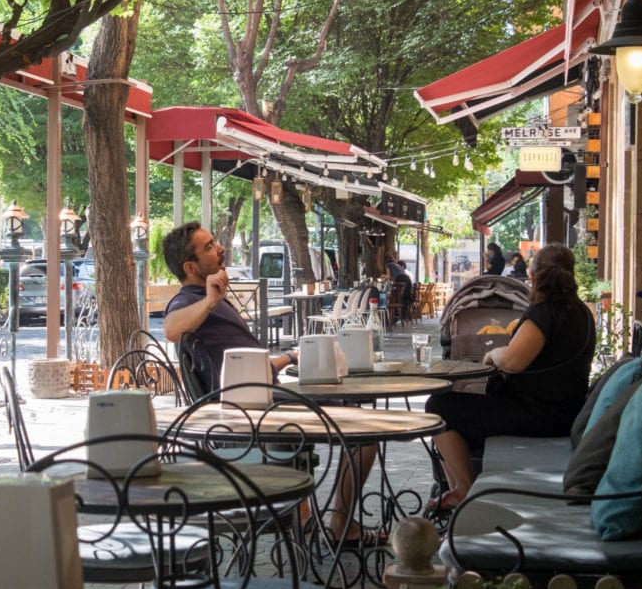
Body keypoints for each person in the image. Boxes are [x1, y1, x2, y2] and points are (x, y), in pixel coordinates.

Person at [162, 222, 385, 546]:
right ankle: (338, 527)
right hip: (249, 415)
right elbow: (170, 328)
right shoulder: (190, 301)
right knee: (365, 433)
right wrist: (210, 302)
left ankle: (314, 520)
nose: (220, 248)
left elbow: (255, 367)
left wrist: (293, 356)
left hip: (263, 401)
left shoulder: (212, 301)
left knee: (354, 411)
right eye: (209, 246)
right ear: (191, 267)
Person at [425, 243, 595, 510]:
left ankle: (463, 491)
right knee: (457, 406)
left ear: (534, 276)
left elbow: (514, 361)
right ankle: (459, 487)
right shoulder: (581, 311)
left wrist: (494, 354)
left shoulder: (546, 311)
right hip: (562, 411)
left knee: (438, 406)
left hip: (540, 415)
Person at [384, 253, 412, 323]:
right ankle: (402, 316)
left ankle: (394, 316)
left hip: (401, 279)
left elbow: (389, 277)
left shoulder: (388, 265)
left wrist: (383, 277)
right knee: (404, 298)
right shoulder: (397, 265)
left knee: (397, 297)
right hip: (407, 279)